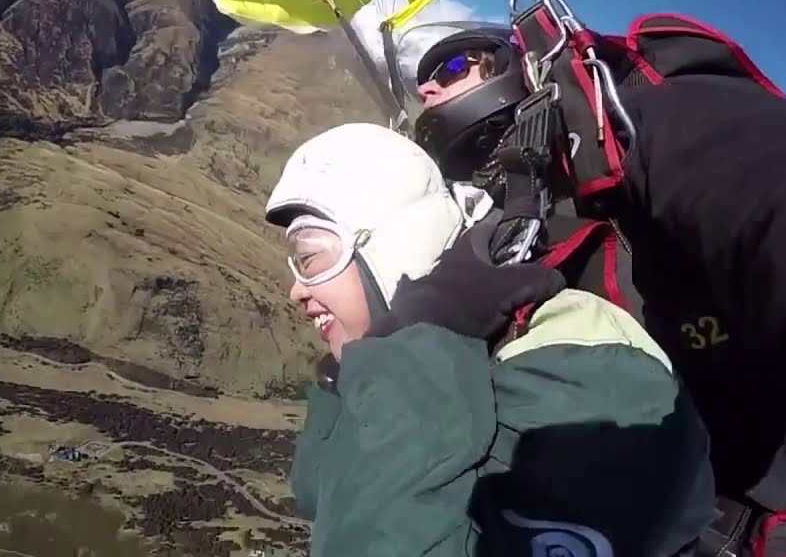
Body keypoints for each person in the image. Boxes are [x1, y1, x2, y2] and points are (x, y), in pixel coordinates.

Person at [409, 20, 786, 556]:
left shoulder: (636, 132)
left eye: (453, 66)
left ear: (514, 63)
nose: (427, 86)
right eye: (422, 80)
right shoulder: (505, 232)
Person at [264, 122, 717, 557]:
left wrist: (409, 354)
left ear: (391, 245)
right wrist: (368, 371)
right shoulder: (398, 364)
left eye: (310, 259)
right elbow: (325, 495)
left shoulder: (590, 368)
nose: (296, 291)